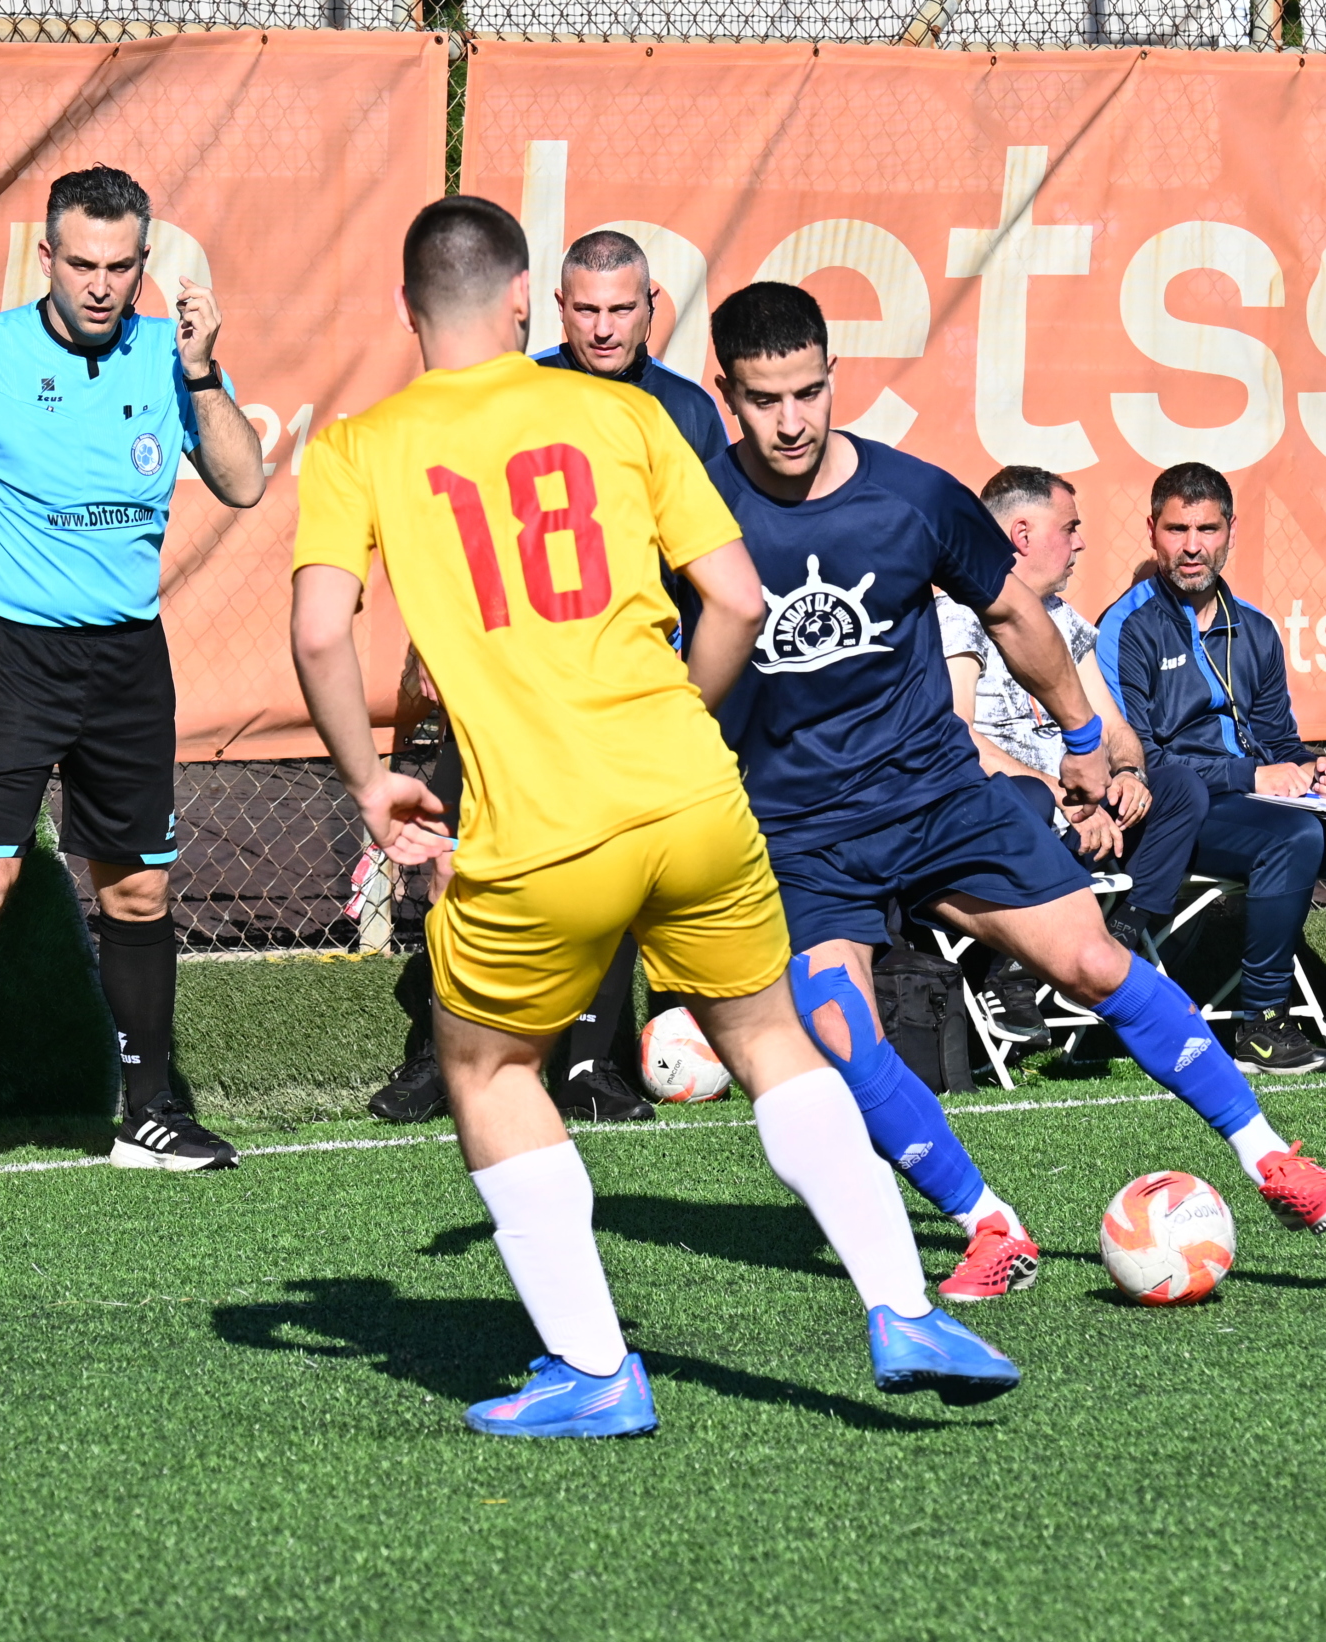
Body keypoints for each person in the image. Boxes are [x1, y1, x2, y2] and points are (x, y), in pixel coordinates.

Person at [289, 196, 1019, 1438]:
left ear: (407, 309)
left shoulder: (361, 446)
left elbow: (319, 633)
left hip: (541, 829)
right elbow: (735, 599)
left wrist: (369, 782)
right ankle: (903, 1308)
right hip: (693, 795)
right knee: (772, 1039)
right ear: (524, 300)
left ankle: (593, 1370)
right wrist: (678, 718)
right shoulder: (624, 413)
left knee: (485, 1066)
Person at [705, 281, 1326, 1306]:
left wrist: (1083, 735)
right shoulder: (695, 509)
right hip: (800, 829)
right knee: (839, 1029)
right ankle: (988, 1224)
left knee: (1095, 959)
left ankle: (1271, 1155)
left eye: (806, 392)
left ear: (833, 375)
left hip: (938, 797)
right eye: (762, 399)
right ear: (726, 393)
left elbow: (1016, 615)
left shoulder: (913, 496)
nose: (789, 422)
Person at [0, 165, 267, 1187]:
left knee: (137, 891)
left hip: (128, 663)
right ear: (45, 255)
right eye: (83, 263)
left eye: (121, 266)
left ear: (145, 264)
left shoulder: (168, 355)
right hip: (8, 657)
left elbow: (243, 482)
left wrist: (202, 374)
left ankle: (150, 1116)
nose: (101, 285)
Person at [366, 227, 732, 1127]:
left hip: (626, 692)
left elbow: (714, 566)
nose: (604, 328)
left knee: (613, 865)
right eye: (587, 309)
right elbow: (450, 535)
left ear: (652, 309)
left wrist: (684, 688)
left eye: (622, 309)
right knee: (465, 859)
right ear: (554, 307)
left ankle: (589, 1065)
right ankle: (441, 1052)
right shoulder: (509, 394)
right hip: (502, 683)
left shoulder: (686, 414)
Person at [1099, 464, 1326, 1074]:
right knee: (1293, 835)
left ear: (1231, 531)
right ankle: (1262, 1025)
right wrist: (1248, 778)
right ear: (1152, 531)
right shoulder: (1125, 627)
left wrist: (1316, 769)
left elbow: (1278, 740)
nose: (1192, 546)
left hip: (1267, 807)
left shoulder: (1255, 629)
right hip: (1180, 813)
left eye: (1207, 529)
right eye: (1177, 529)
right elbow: (1138, 759)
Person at [940, 465, 1211, 1049]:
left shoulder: (1064, 619)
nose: (1081, 542)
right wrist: (1064, 797)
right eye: (1070, 528)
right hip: (1012, 806)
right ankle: (1015, 965)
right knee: (1024, 799)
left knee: (1180, 787)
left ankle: (1115, 943)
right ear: (1022, 535)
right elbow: (956, 738)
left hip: (1080, 803)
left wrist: (1129, 772)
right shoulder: (958, 613)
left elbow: (1114, 726)